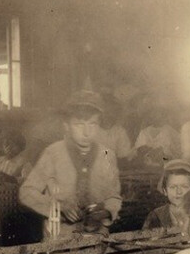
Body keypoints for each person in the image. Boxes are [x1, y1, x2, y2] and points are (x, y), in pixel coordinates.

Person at [19, 91, 122, 238]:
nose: (87, 132)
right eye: (79, 125)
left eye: (93, 124)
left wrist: (106, 212)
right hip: (59, 237)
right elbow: (26, 192)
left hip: (97, 236)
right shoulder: (53, 153)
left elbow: (113, 196)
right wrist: (58, 206)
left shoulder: (107, 155)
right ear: (66, 126)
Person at [142, 159, 190, 233]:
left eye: (184, 186)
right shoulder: (156, 216)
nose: (179, 192)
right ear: (165, 191)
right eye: (173, 187)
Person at [95, 94, 132, 159]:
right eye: (105, 111)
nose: (108, 115)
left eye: (111, 112)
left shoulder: (120, 132)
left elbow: (123, 154)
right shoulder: (92, 129)